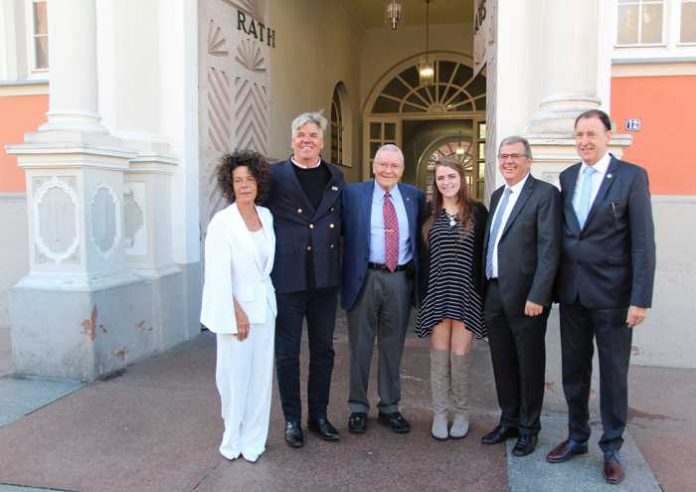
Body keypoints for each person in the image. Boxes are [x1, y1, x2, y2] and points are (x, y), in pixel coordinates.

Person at [547, 110, 656, 484]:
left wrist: (640, 298)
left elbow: (643, 243)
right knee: (573, 373)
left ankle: (611, 446)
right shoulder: (568, 177)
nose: (584, 141)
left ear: (608, 136)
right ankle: (577, 437)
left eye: (592, 134)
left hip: (613, 297)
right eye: (579, 134)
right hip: (573, 293)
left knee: (613, 376)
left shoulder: (631, 177)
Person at [479, 136, 561, 457]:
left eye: (515, 156)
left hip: (528, 297)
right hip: (495, 292)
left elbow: (550, 249)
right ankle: (509, 420)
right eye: (503, 156)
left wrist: (539, 294)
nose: (508, 161)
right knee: (502, 362)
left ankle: (529, 428)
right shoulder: (499, 195)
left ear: (529, 159)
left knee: (529, 364)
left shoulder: (544, 194)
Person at [267, 111, 344, 448]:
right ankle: (292, 420)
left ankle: (319, 416)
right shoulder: (273, 176)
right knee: (287, 353)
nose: (307, 140)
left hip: (325, 280)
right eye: (301, 134)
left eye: (313, 135)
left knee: (323, 351)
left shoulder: (335, 175)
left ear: (322, 141)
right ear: (292, 139)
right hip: (288, 278)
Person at [342, 144, 426, 435]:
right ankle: (357, 408)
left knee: (393, 346)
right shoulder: (353, 195)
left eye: (395, 166)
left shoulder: (414, 197)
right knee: (360, 347)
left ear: (402, 170)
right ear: (373, 165)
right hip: (364, 277)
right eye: (383, 164)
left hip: (399, 279)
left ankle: (390, 407)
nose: (388, 170)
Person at [200, 150, 276, 463]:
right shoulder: (223, 222)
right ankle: (232, 437)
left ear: (258, 182)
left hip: (265, 307)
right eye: (238, 180)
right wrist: (236, 311)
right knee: (233, 377)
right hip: (236, 310)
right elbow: (217, 273)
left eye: (249, 179)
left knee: (260, 378)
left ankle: (254, 439)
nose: (244, 185)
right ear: (230, 185)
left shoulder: (266, 216)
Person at [415, 157, 488, 441]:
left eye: (451, 176)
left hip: (466, 293)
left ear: (462, 178)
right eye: (441, 178)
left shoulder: (478, 212)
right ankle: (440, 414)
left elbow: (483, 254)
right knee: (439, 357)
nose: (446, 182)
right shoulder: (426, 214)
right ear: (436, 183)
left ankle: (462, 413)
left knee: (460, 357)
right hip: (436, 292)